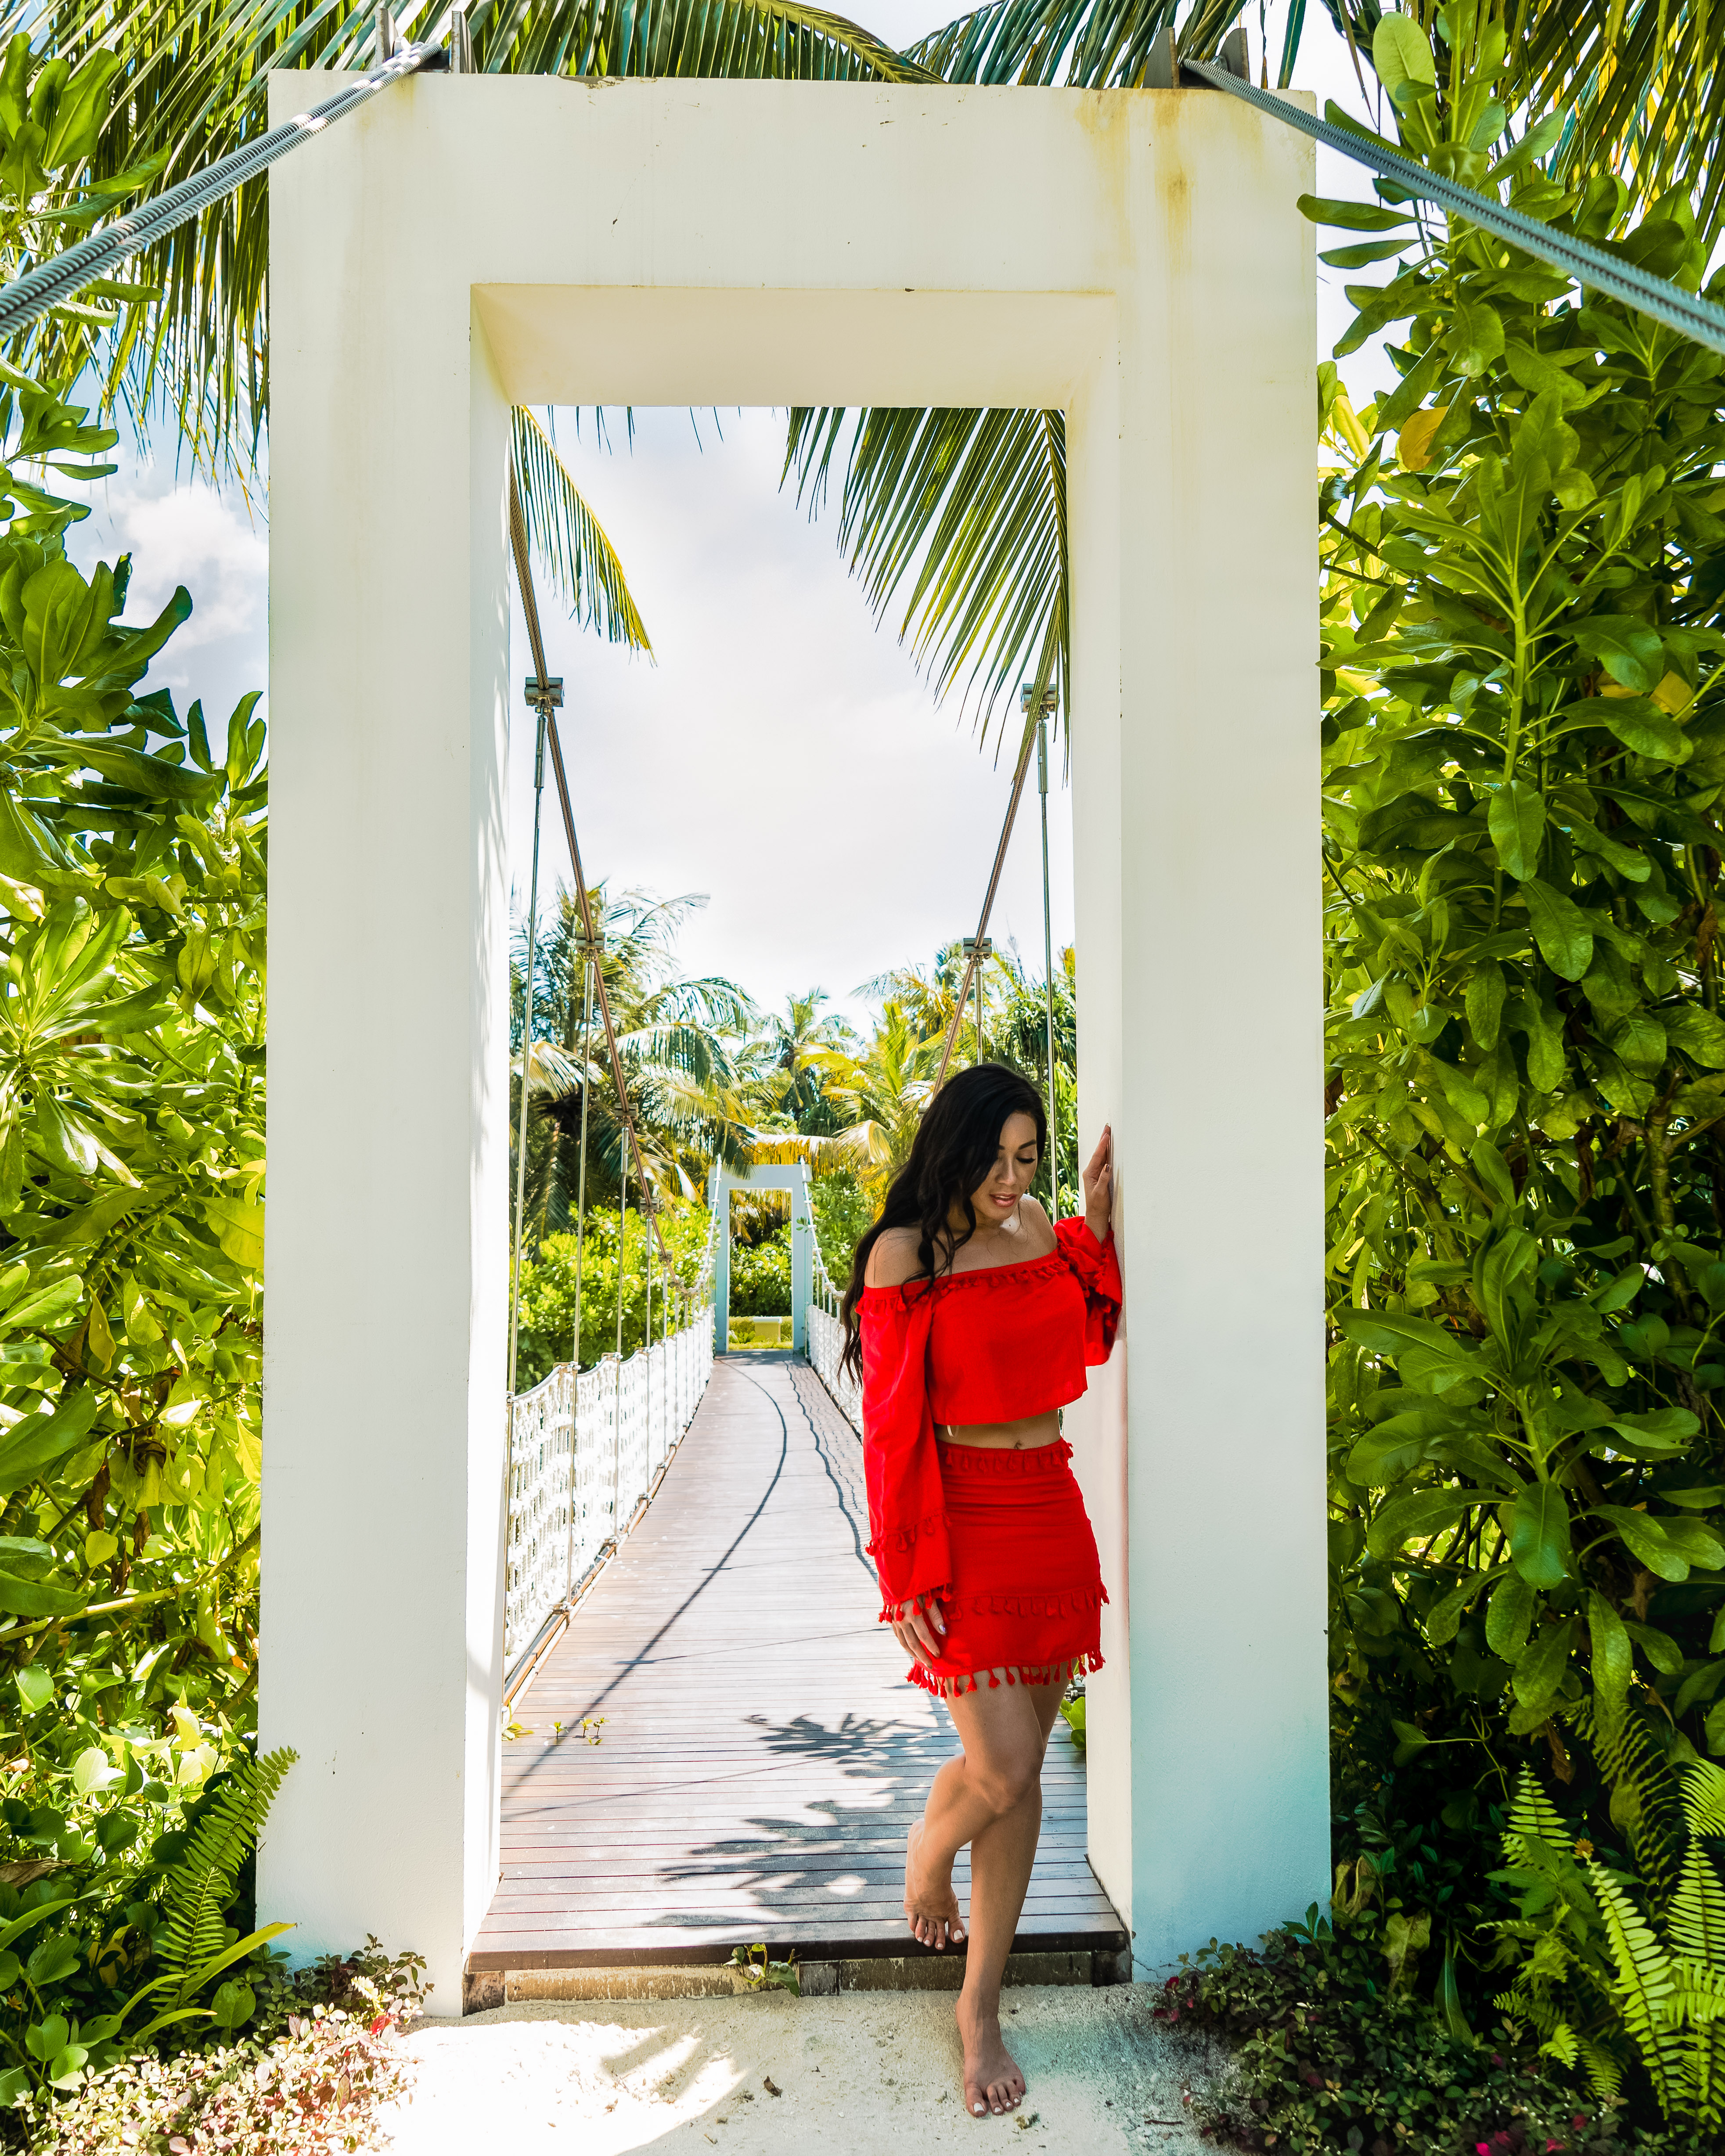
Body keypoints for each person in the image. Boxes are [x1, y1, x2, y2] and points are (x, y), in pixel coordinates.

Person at [839, 1062, 1119, 2120]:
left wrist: (1087, 1220)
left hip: (1049, 1507)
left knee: (1022, 1771)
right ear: (951, 1150)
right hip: (962, 1513)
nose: (1013, 1180)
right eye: (995, 1159)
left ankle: (981, 2006)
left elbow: (1089, 1331)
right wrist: (908, 1562)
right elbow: (890, 1424)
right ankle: (925, 1856)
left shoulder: (1043, 1227)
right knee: (1001, 1764)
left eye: (1028, 1158)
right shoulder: (905, 1254)